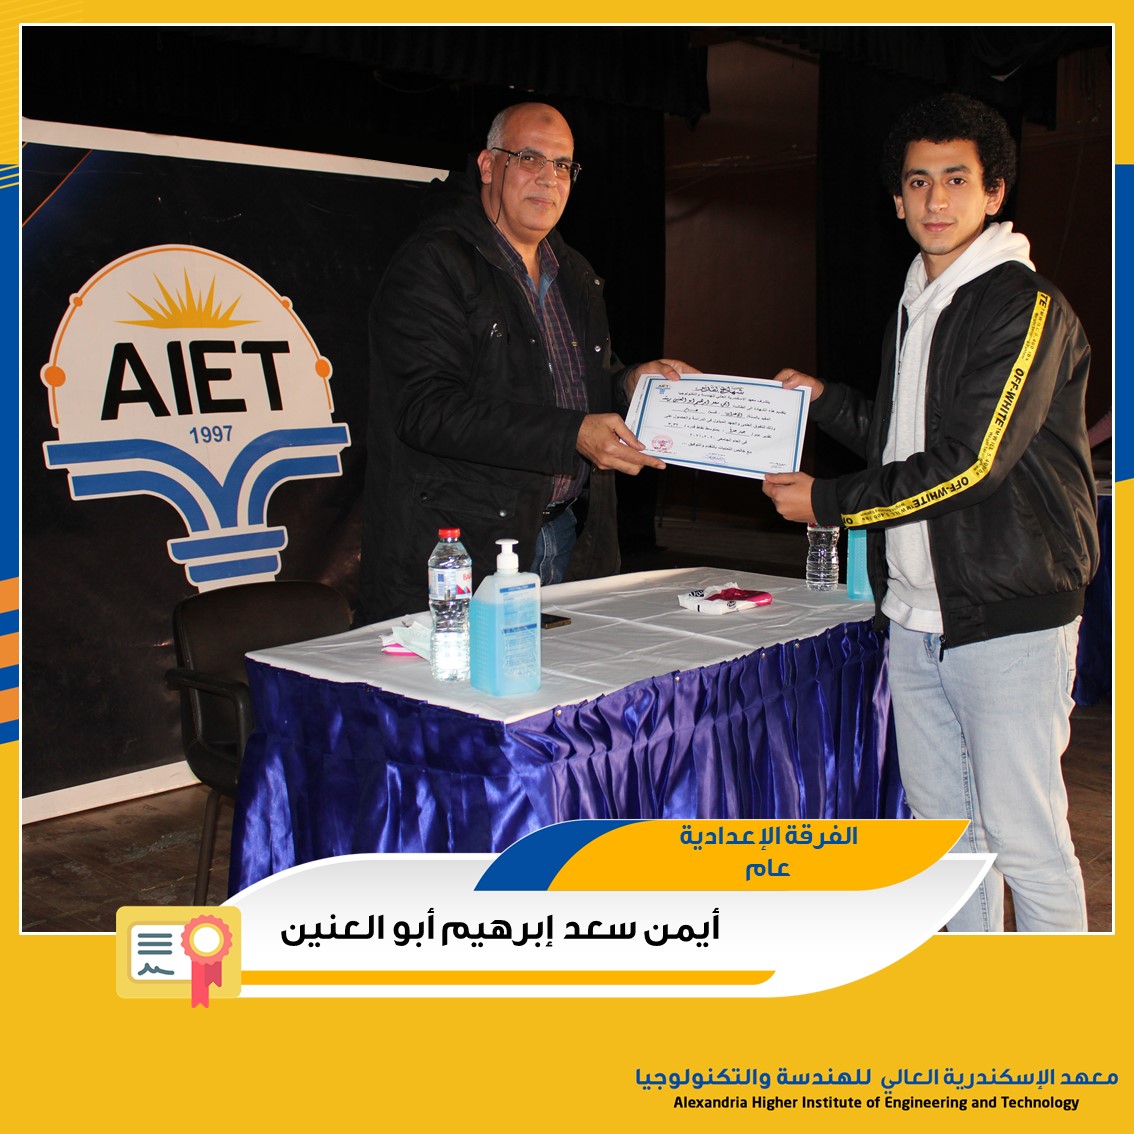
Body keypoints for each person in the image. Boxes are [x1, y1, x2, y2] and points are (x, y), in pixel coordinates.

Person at [763, 92, 1098, 932]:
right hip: (917, 616)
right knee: (947, 840)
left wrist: (829, 502)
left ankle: (1071, 1008)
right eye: (918, 182)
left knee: (1026, 841)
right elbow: (904, 437)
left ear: (995, 192)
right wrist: (827, 402)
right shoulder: (919, 296)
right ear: (897, 199)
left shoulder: (1024, 304)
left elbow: (972, 463)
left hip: (1008, 614)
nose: (935, 199)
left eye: (956, 179)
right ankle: (974, 999)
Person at [359, 102, 696, 623]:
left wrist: (632, 383)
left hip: (568, 537)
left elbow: (574, 388)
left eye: (563, 165)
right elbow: (426, 409)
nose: (548, 178)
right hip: (466, 549)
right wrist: (572, 434)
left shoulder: (574, 272)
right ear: (488, 165)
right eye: (530, 158)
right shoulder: (434, 262)